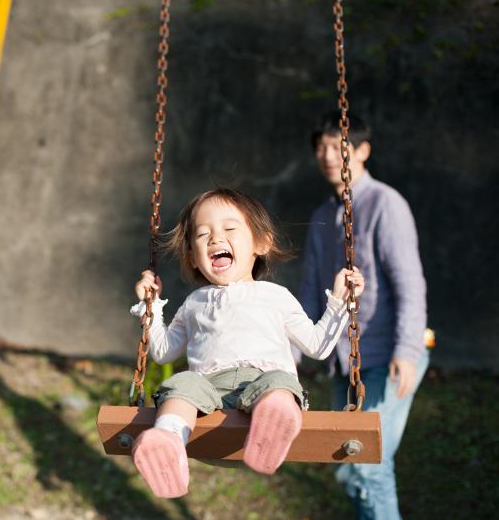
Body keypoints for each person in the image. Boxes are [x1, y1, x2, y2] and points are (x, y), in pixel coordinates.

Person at [129, 188, 364, 498]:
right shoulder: (194, 302)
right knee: (182, 382)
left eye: (229, 229)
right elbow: (162, 351)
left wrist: (340, 301)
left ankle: (275, 422)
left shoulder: (276, 296)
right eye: (202, 235)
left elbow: (317, 346)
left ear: (261, 243)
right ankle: (168, 441)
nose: (214, 239)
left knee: (279, 382)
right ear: (193, 258)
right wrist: (151, 307)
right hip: (208, 396)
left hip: (263, 386)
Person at [299, 112, 428, 519]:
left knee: (368, 462)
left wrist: (406, 351)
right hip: (346, 362)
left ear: (362, 151)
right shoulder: (322, 215)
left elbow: (410, 283)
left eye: (337, 145)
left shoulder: (385, 204)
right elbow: (309, 292)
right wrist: (292, 355)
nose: (327, 155)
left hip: (386, 355)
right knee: (348, 466)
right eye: (320, 146)